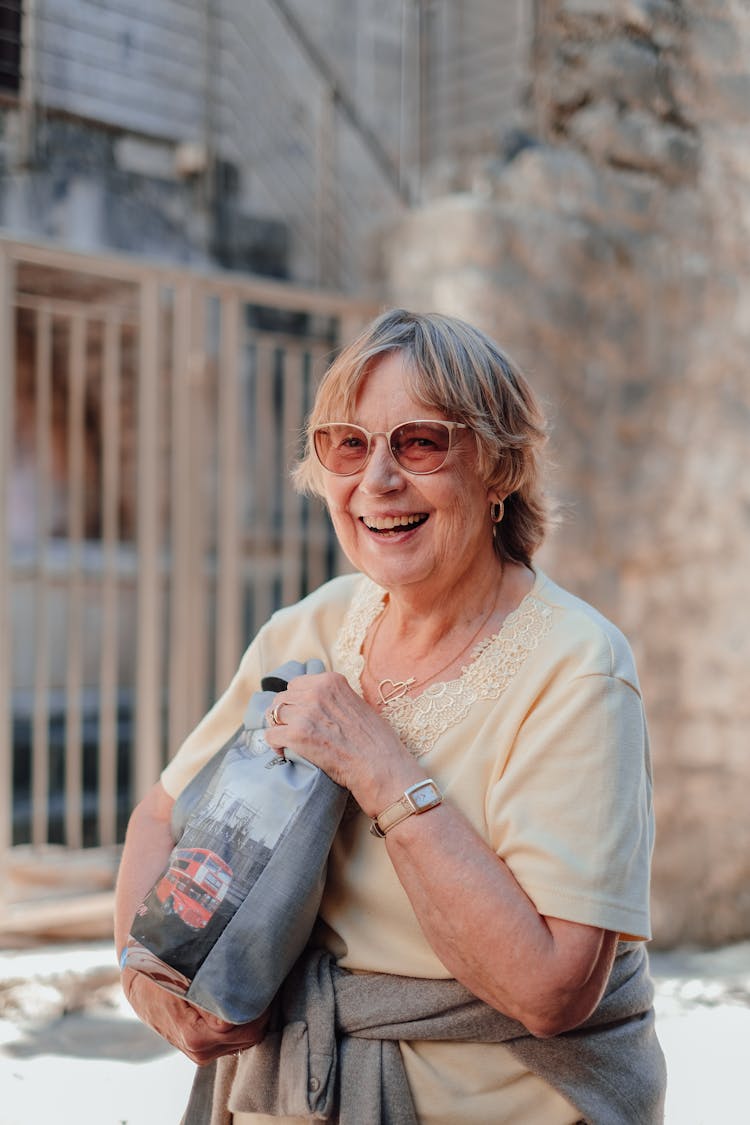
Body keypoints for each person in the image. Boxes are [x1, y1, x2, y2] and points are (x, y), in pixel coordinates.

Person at [115, 308, 665, 1124]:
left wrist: (384, 768)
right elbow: (159, 812)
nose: (376, 481)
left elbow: (553, 988)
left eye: (419, 442)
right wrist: (146, 980)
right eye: (347, 443)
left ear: (499, 468)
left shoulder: (578, 667)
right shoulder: (306, 628)